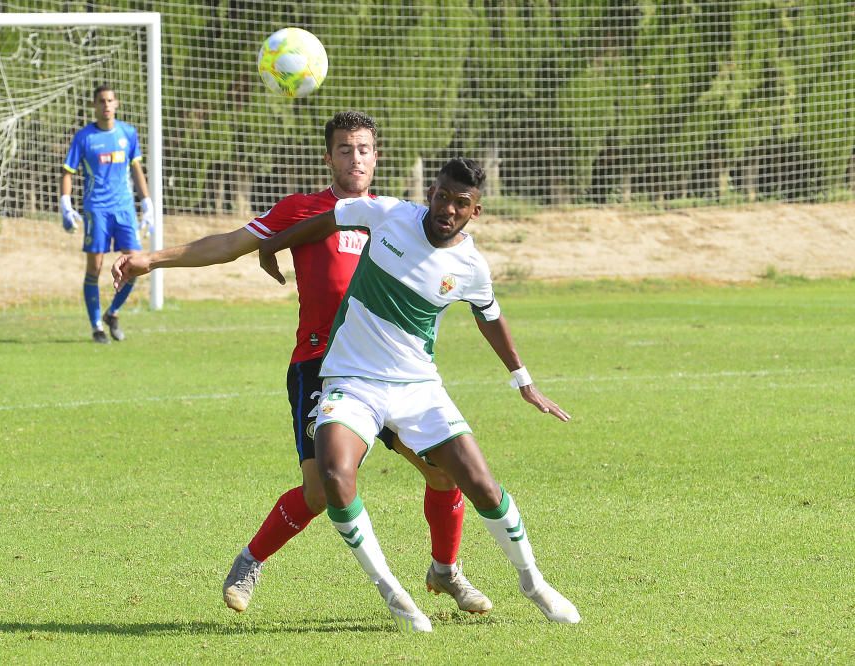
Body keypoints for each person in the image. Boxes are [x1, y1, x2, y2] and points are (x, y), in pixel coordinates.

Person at [111, 112, 491, 617]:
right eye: (343, 149)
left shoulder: (401, 215)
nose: (354, 158)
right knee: (319, 491)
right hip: (323, 365)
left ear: (376, 156)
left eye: (363, 149)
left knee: (444, 474)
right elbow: (228, 244)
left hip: (394, 371)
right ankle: (250, 560)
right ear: (328, 157)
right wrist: (151, 259)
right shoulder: (304, 210)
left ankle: (445, 571)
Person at [257, 157, 581, 633]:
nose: (447, 208)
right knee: (333, 475)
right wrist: (272, 246)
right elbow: (326, 220)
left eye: (461, 203)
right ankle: (393, 593)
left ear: (476, 212)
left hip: (419, 389)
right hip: (352, 381)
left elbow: (488, 316)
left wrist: (523, 380)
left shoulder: (470, 266)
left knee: (482, 485)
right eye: (443, 195)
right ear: (431, 191)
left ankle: (533, 582)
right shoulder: (389, 214)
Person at [61, 83, 154, 344]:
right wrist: (65, 203)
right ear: (95, 105)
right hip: (97, 209)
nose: (106, 105)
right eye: (101, 100)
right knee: (96, 266)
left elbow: (136, 170)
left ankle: (112, 313)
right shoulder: (84, 137)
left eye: (110, 100)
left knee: (137, 264)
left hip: (125, 208)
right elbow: (68, 172)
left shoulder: (128, 133)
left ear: (117, 104)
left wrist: (147, 203)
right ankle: (96, 327)